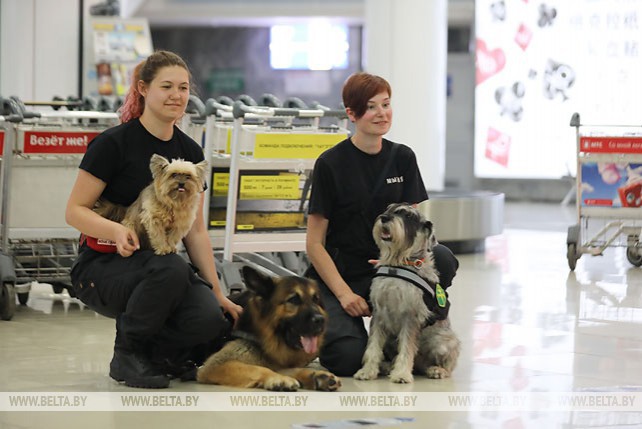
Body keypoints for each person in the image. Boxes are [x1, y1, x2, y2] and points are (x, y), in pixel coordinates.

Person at [65, 50, 242, 389]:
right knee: (170, 267)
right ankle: (127, 354)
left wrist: (217, 292)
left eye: (184, 87)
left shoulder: (191, 153)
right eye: (167, 87)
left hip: (157, 268)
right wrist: (116, 230)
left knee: (207, 320)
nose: (177, 95)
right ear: (143, 89)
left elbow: (196, 231)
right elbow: (74, 211)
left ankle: (160, 355)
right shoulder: (112, 144)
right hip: (101, 267)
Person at [305, 72, 459, 376]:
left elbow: (413, 228)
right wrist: (345, 295)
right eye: (371, 107)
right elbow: (314, 244)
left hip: (393, 267)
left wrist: (402, 262)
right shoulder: (330, 164)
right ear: (352, 114)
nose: (382, 114)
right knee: (347, 359)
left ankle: (408, 339)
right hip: (346, 273)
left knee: (443, 258)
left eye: (386, 104)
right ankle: (337, 332)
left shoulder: (402, 157)